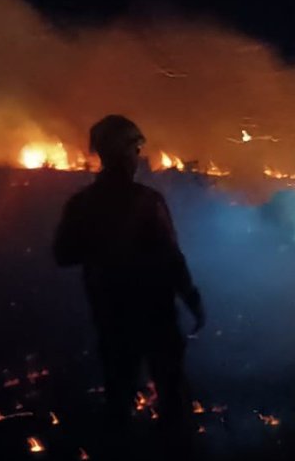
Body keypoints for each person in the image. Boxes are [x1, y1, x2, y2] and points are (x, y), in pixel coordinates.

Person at [53, 115, 205, 442]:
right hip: (155, 316)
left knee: (118, 397)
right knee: (172, 397)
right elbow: (171, 258)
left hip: (110, 317)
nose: (139, 157)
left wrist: (100, 246)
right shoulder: (146, 202)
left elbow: (63, 254)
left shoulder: (81, 204)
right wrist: (192, 299)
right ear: (124, 153)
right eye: (136, 148)